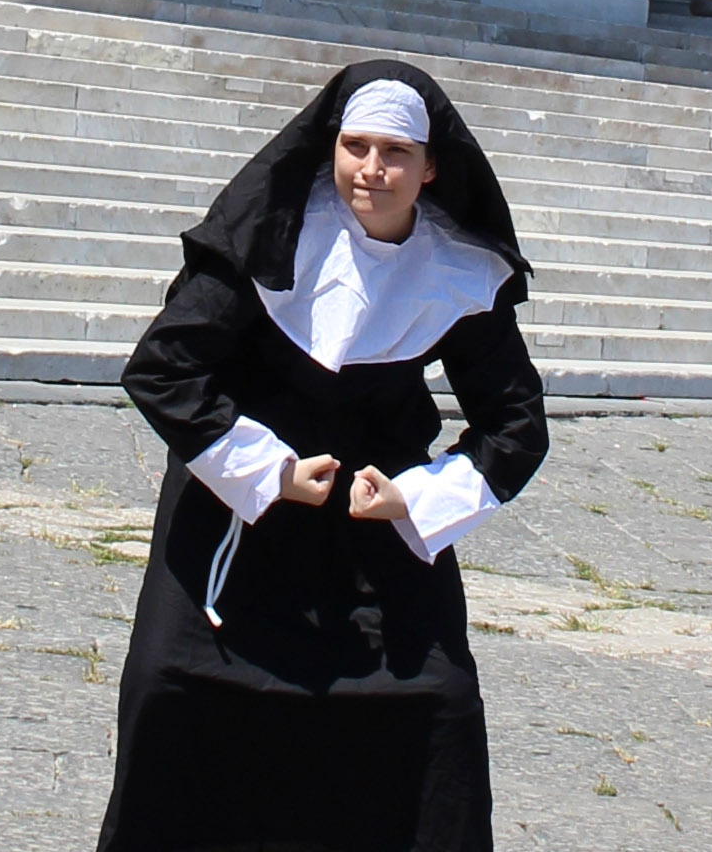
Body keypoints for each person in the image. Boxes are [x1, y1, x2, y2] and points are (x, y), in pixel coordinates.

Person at [99, 61, 549, 851]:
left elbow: (515, 423)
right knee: (172, 691)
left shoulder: (455, 270)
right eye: (356, 147)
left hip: (372, 526)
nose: (372, 168)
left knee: (439, 705)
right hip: (234, 516)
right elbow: (165, 369)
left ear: (430, 167)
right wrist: (268, 472)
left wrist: (417, 497)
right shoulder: (269, 237)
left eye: (396, 152)